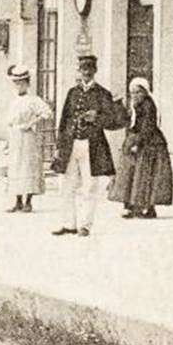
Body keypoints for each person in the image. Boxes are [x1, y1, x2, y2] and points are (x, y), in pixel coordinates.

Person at [51, 54, 124, 237]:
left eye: (90, 68)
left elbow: (113, 121)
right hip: (71, 144)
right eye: (83, 68)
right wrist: (59, 144)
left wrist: (97, 118)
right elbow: (64, 120)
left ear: (95, 71)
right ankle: (69, 224)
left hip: (92, 145)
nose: (86, 72)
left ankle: (85, 225)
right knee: (66, 185)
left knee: (90, 186)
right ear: (79, 70)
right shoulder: (72, 93)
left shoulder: (102, 94)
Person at [108, 76, 173, 219]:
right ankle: (131, 206)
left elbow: (147, 127)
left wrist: (137, 143)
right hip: (136, 140)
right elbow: (125, 121)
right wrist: (117, 105)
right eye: (132, 93)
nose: (135, 95)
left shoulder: (148, 105)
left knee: (145, 175)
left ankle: (147, 207)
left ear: (145, 92)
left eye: (138, 92)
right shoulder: (135, 105)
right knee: (130, 174)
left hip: (149, 144)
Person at [4, 64, 51, 212]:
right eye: (16, 83)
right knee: (15, 167)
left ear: (27, 83)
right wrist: (7, 140)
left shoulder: (33, 100)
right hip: (15, 137)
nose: (19, 86)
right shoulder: (12, 101)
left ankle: (28, 201)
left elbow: (47, 113)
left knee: (28, 166)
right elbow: (9, 122)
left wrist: (31, 123)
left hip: (28, 137)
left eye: (22, 83)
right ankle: (17, 200)